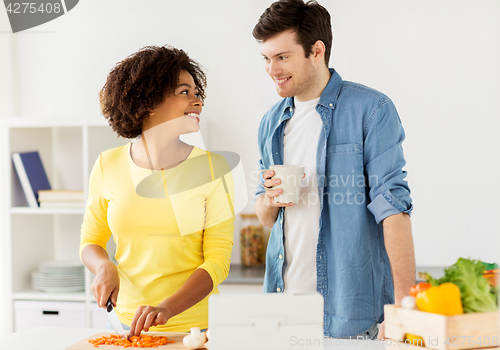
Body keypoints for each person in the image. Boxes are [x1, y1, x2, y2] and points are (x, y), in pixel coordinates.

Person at [253, 0, 415, 340]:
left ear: (316, 50)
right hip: (283, 310)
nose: (272, 69)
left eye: (282, 57)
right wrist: (269, 200)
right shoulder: (271, 123)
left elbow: (393, 209)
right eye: (266, 59)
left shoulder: (370, 110)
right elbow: (266, 217)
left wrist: (404, 307)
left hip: (351, 315)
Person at [80, 45, 235, 336]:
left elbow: (217, 261)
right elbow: (90, 241)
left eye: (196, 92)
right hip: (124, 327)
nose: (197, 101)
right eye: (184, 92)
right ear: (149, 102)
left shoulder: (214, 168)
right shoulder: (107, 164)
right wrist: (103, 266)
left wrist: (167, 308)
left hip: (195, 330)